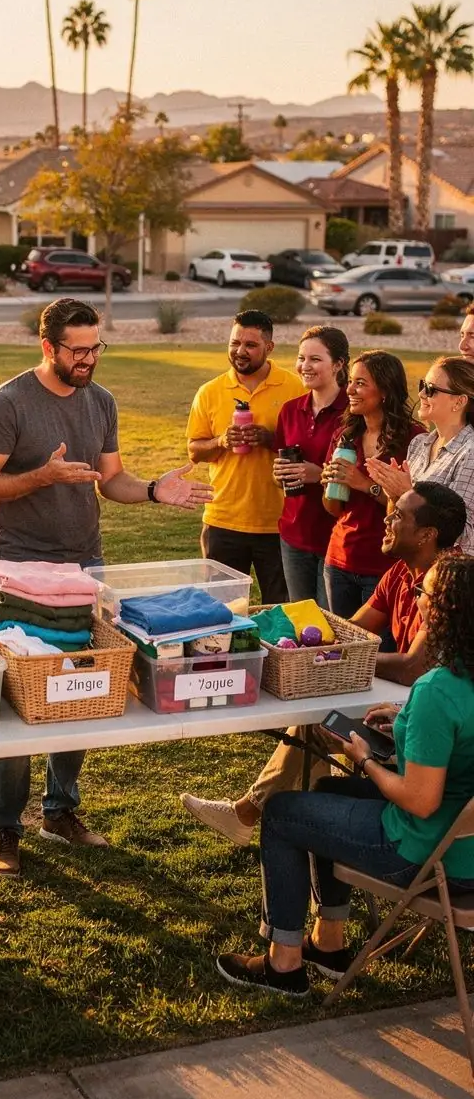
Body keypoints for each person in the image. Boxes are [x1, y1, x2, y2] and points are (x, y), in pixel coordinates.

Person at [0, 296, 211, 877]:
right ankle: (5, 829)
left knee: (80, 692)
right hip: (22, 572)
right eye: (76, 350)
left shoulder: (100, 401)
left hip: (86, 568)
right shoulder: (7, 402)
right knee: (21, 699)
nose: (87, 360)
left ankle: (60, 809)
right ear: (47, 346)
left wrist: (155, 491)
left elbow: (111, 481)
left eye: (94, 348)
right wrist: (43, 477)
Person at [214, 552, 474, 998]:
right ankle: (328, 945)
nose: (417, 598)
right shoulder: (451, 688)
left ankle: (284, 964)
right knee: (326, 789)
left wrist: (365, 758)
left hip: (423, 852)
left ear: (445, 609)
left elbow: (420, 800)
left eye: (422, 592)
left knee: (281, 813)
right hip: (465, 848)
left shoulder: (437, 690)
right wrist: (405, 723)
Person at [182, 481, 467, 844]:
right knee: (321, 722)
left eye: (397, 516)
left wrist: (340, 656)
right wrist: (297, 630)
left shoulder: (446, 586)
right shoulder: (400, 572)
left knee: (319, 725)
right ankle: (286, 834)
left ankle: (252, 814)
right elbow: (351, 630)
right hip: (411, 710)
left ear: (427, 534)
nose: (387, 519)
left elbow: (413, 668)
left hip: (427, 729)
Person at [186, 310, 301, 603]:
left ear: (269, 347)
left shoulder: (294, 388)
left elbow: (309, 449)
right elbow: (195, 450)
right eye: (234, 343)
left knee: (280, 609)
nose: (240, 351)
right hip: (223, 521)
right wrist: (222, 441)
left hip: (277, 522)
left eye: (250, 345)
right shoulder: (210, 392)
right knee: (223, 612)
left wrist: (270, 440)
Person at [321, 350, 420, 620]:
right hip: (339, 561)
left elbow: (417, 509)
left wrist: (365, 484)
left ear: (386, 390)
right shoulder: (344, 437)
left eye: (360, 383)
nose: (350, 389)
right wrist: (331, 484)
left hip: (384, 566)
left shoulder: (415, 439)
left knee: (380, 654)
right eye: (350, 381)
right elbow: (333, 509)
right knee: (343, 648)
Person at [272, 325, 349, 606]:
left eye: (315, 359)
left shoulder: (352, 413)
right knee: (301, 621)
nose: (305, 366)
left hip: (335, 538)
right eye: (301, 357)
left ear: (338, 364)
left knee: (331, 628)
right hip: (294, 535)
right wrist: (279, 474)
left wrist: (320, 475)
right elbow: (280, 470)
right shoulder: (290, 410)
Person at [366, 356, 474, 553]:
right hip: (415, 569)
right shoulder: (419, 443)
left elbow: (463, 533)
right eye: (423, 385)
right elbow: (398, 521)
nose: (422, 394)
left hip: (448, 575)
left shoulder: (470, 453)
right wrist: (394, 495)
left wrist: (408, 492)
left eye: (431, 390)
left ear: (459, 402)